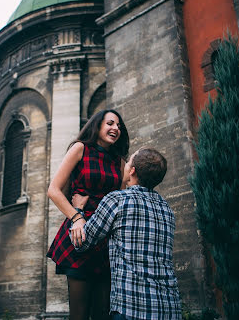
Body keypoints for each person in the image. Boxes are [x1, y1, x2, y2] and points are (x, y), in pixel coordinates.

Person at [71, 148, 182, 320]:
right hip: (168, 308)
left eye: (128, 161)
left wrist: (77, 211)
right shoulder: (167, 209)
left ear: (132, 171)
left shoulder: (117, 200)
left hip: (131, 307)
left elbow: (81, 242)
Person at [46, 109, 130, 320]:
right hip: (80, 233)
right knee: (79, 314)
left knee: (103, 312)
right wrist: (77, 216)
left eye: (118, 126)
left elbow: (121, 199)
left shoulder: (118, 161)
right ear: (97, 125)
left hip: (107, 238)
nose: (115, 129)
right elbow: (53, 190)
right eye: (110, 123)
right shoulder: (80, 148)